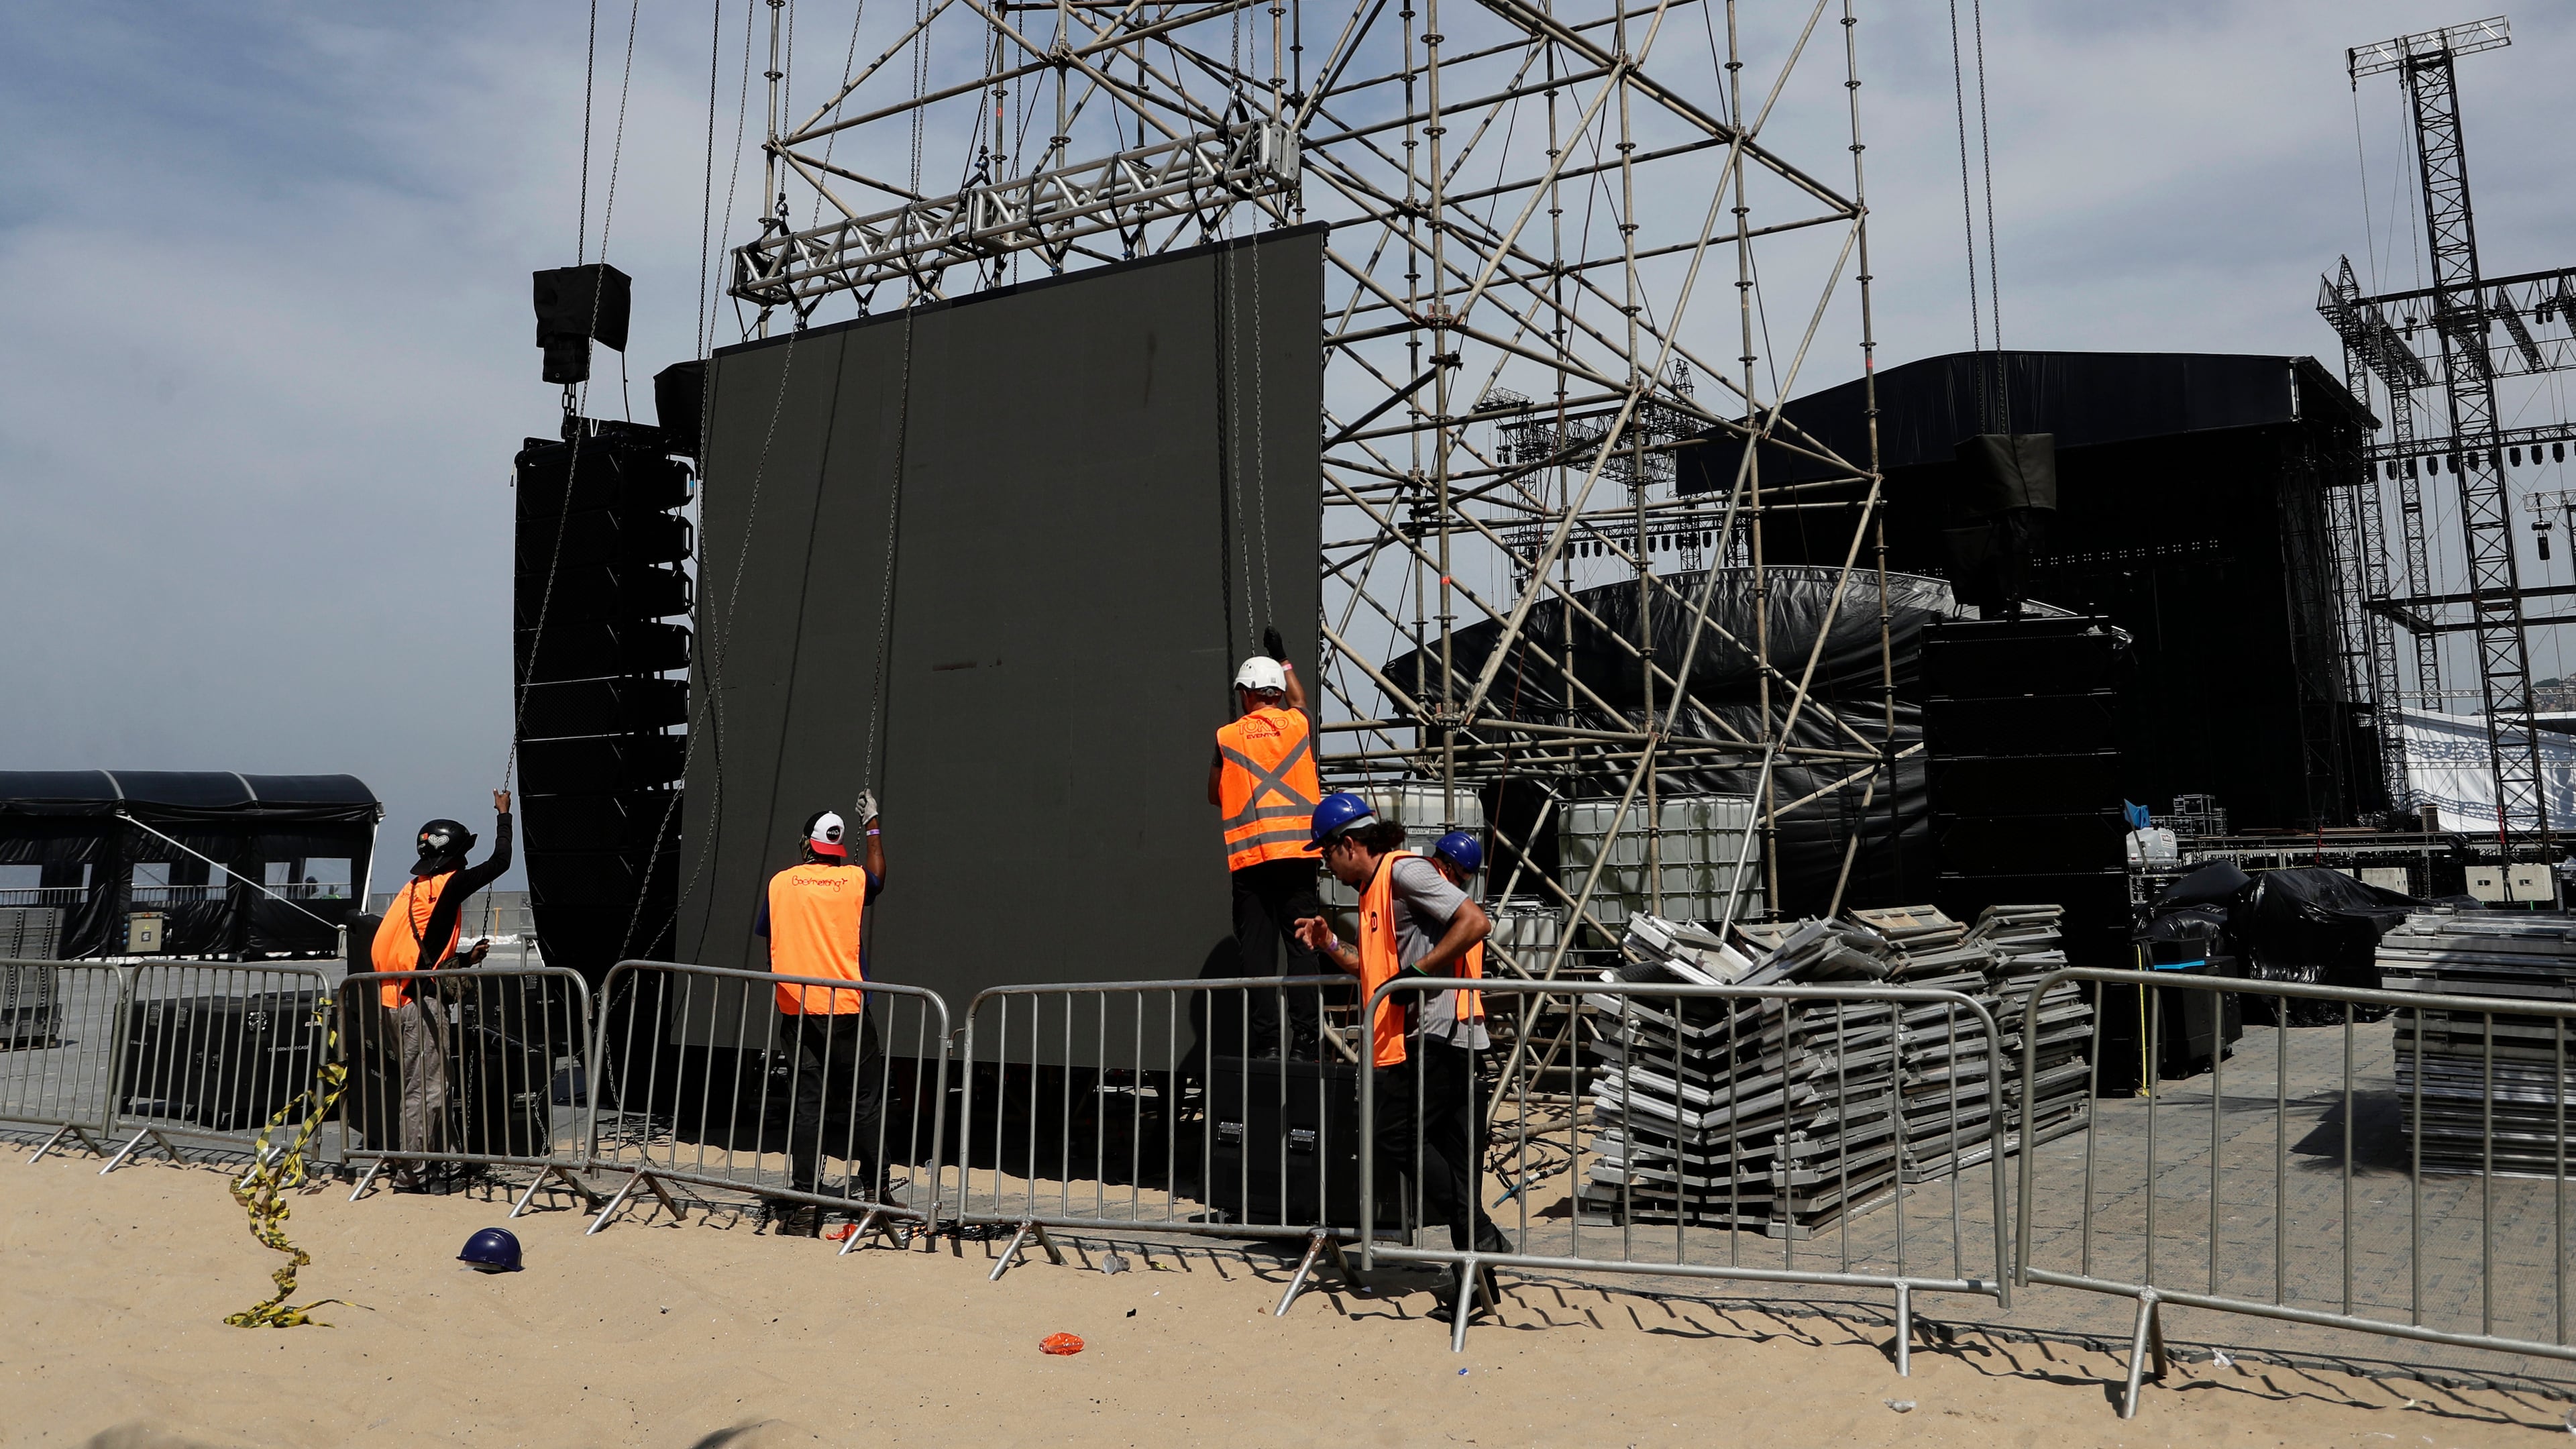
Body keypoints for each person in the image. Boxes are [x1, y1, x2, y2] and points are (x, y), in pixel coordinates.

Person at [1292, 795, 1511, 1259]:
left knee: (1394, 1134)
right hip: (1434, 1037)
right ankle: (1476, 1277)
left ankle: (1481, 1232)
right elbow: (1375, 973)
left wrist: (1421, 976)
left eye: (1325, 854)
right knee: (1455, 1160)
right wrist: (1329, 942)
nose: (1326, 867)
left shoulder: (1402, 871)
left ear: (1348, 845)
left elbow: (1475, 922)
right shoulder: (1376, 891)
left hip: (1440, 1036)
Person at [755, 796, 892, 1235]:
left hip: (798, 1010)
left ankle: (805, 1204)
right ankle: (876, 1198)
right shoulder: (852, 881)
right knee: (866, 1104)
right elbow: (878, 876)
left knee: (807, 1106)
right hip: (848, 1009)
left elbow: (769, 936)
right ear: (836, 848)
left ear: (805, 846)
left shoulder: (780, 884)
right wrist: (871, 823)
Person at [370, 791, 513, 1192]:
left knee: (432, 1084)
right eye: (463, 853)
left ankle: (443, 1162)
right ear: (451, 857)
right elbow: (501, 863)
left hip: (394, 1000)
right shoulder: (447, 885)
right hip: (416, 1005)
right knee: (427, 1089)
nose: (467, 861)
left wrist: (464, 959)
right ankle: (414, 1174)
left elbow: (421, 951)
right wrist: (505, 815)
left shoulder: (414, 890)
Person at [1209, 642, 1325, 1057]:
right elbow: (1300, 699)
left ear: (1246, 693)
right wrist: (1284, 659)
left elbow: (1213, 795)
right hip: (1297, 857)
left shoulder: (1228, 737)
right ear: (1275, 690)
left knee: (1257, 954)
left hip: (1252, 861)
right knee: (1303, 946)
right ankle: (1307, 1039)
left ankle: (1266, 1045)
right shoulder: (1298, 725)